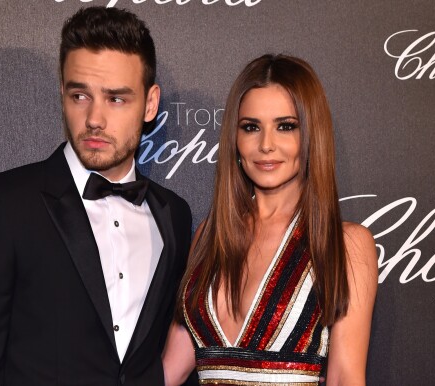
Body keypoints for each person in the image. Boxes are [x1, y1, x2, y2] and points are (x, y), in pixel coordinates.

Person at [0, 7, 192, 386]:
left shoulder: (173, 214)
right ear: (62, 94)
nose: (94, 118)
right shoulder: (1, 205)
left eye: (116, 99)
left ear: (150, 103)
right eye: (80, 95)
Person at [162, 54, 378, 386]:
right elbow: (169, 372)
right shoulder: (209, 236)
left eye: (285, 126)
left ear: (310, 135)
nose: (266, 145)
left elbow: (345, 377)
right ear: (235, 139)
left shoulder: (344, 244)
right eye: (251, 127)